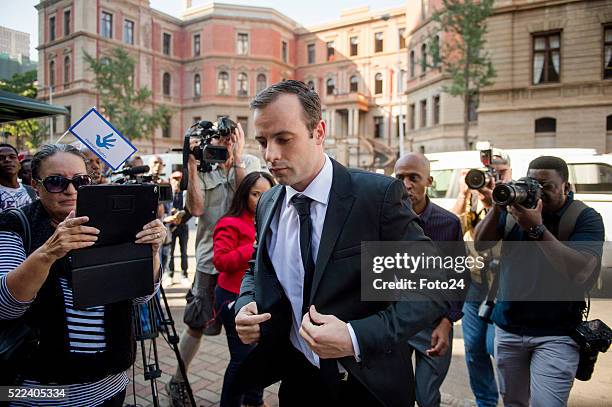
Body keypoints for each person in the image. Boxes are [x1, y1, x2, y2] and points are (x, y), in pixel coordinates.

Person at [233, 80, 448, 406]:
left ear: (318, 132)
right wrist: (246, 303)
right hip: (297, 379)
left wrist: (355, 337)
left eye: (283, 139)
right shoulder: (268, 202)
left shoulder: (377, 197)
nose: (270, 155)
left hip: (366, 385)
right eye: (262, 141)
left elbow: (433, 285)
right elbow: (256, 267)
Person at [0, 144, 166, 406]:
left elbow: (139, 298)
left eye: (80, 181)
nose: (70, 190)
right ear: (35, 185)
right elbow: (6, 306)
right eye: (56, 182)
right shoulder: (16, 224)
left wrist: (153, 252)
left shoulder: (113, 219)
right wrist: (49, 252)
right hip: (37, 390)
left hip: (109, 385)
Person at [474, 156, 604, 406]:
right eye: (532, 183)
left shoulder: (584, 217)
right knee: (514, 403)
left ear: (566, 187)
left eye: (547, 186)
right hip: (509, 329)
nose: (538, 191)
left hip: (557, 334)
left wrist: (537, 230)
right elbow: (481, 243)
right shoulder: (515, 212)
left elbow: (581, 272)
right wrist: (498, 205)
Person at [166, 119, 261, 406]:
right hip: (211, 264)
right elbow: (195, 209)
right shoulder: (201, 168)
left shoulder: (250, 162)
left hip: (247, 259)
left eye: (228, 138)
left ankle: (250, 391)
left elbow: (250, 198)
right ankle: (177, 382)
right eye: (218, 141)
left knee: (250, 328)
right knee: (196, 325)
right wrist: (192, 167)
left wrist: (238, 157)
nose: (223, 145)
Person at [394, 153, 464, 407]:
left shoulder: (448, 224)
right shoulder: (383, 220)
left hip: (433, 326)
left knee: (426, 398)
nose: (406, 184)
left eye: (414, 178)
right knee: (395, 395)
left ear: (429, 181)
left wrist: (447, 322)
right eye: (400, 178)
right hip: (394, 324)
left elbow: (458, 277)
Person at [451, 149, 511, 407]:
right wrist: (465, 193)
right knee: (474, 350)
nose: (490, 179)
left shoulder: (511, 198)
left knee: (496, 346)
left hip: (502, 286)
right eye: (487, 173)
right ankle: (486, 402)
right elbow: (451, 225)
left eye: (498, 172)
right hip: (474, 284)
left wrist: (496, 200)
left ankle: (514, 398)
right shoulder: (470, 201)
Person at [213, 171, 274, 407]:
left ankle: (254, 400)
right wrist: (256, 246)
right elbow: (221, 261)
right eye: (255, 194)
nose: (261, 200)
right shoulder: (230, 223)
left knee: (258, 356)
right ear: (244, 195)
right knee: (241, 359)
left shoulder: (273, 220)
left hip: (261, 299)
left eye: (266, 194)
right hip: (232, 297)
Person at [163, 171, 191, 287]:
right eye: (174, 179)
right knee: (170, 252)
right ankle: (170, 275)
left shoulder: (186, 194)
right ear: (170, 180)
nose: (177, 181)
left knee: (184, 251)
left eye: (179, 179)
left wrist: (182, 218)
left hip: (183, 226)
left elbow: (191, 210)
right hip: (170, 227)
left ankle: (184, 275)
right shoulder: (167, 194)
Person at [0, 143, 37, 212]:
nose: (7, 160)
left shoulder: (32, 191)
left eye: (12, 157)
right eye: (1, 158)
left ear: (19, 165)